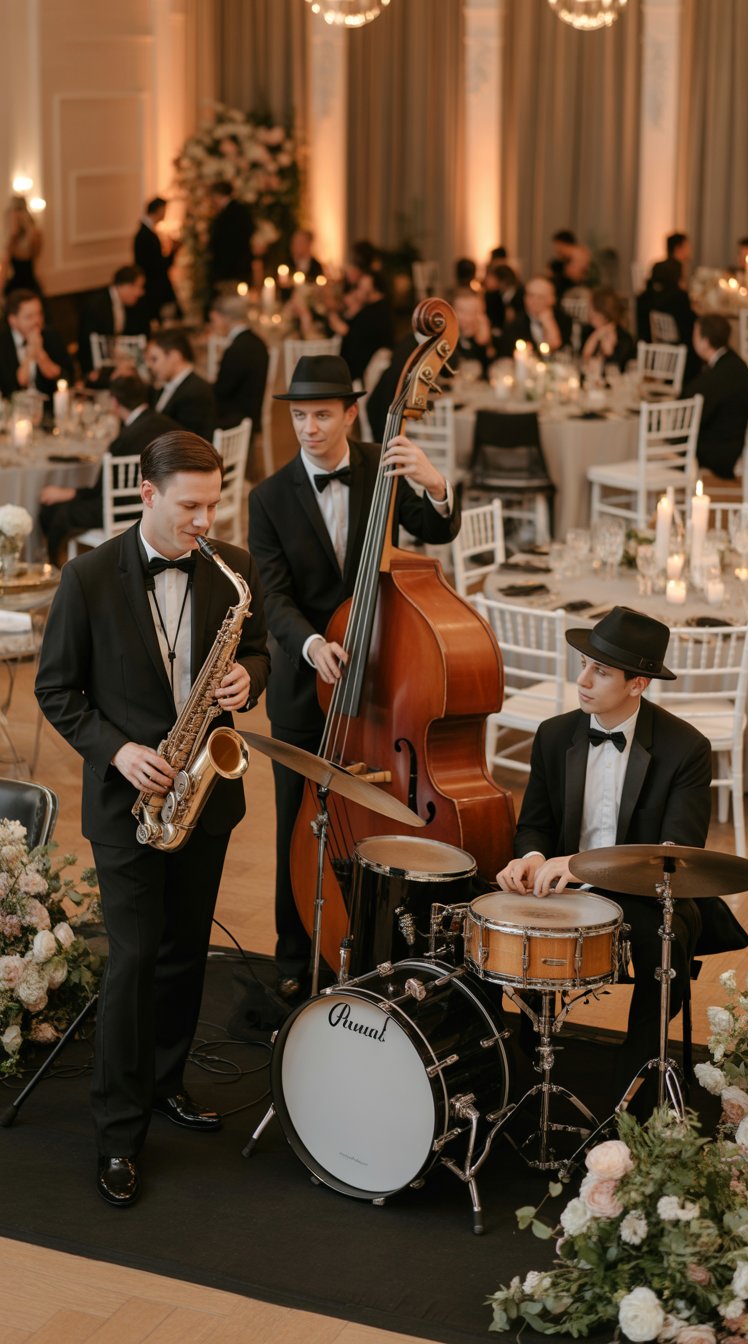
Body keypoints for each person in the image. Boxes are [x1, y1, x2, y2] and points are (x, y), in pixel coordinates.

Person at [35, 431, 270, 1207]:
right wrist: (121, 753)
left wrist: (249, 676)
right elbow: (58, 691)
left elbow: (260, 648)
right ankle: (117, 1134)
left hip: (204, 797)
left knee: (183, 954)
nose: (205, 520)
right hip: (128, 800)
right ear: (148, 494)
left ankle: (167, 1079)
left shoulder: (227, 567)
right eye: (189, 506)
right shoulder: (88, 576)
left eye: (214, 504)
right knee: (133, 963)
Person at [247, 354, 461, 997]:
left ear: (349, 413)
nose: (308, 428)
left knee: (376, 820)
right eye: (299, 416)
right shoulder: (267, 497)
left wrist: (435, 482)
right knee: (299, 824)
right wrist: (312, 644)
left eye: (320, 415)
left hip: (384, 680)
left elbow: (435, 528)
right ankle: (293, 959)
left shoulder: (382, 466)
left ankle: (375, 948)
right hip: (306, 687)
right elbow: (273, 595)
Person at [496, 606, 747, 1101]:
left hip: (644, 892)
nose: (582, 679)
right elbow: (535, 826)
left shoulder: (687, 749)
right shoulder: (553, 734)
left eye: (601, 671)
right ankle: (512, 1064)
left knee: (665, 937)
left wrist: (580, 866)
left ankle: (631, 1087)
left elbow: (675, 859)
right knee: (485, 923)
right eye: (584, 664)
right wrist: (528, 856)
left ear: (639, 685)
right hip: (561, 886)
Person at [38, 372, 177, 563]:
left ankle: (54, 566)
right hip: (156, 502)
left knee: (53, 511)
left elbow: (101, 492)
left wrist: (68, 492)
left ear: (114, 402)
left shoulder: (123, 442)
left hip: (122, 509)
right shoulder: (165, 424)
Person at [684, 314, 748, 480]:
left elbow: (696, 407)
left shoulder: (718, 376)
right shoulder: (734, 362)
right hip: (732, 442)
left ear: (705, 341)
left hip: (722, 451)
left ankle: (678, 492)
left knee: (671, 445)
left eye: (695, 334)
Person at [78, 265, 149, 380]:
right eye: (139, 287)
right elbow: (87, 342)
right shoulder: (97, 306)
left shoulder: (133, 306)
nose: (141, 293)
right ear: (127, 286)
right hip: (100, 370)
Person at [0, 288, 73, 400]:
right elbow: (13, 388)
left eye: (39, 314)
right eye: (29, 317)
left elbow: (66, 378)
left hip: (48, 409)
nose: (37, 321)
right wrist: (30, 355)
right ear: (12, 320)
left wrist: (40, 354)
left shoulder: (50, 336)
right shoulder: (3, 342)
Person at [211, 293, 269, 433]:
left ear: (225, 318)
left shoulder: (237, 349)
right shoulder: (257, 342)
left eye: (214, 319)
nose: (213, 324)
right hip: (251, 413)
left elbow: (221, 391)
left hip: (236, 419)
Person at [146, 329, 217, 441]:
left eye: (154, 359)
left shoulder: (195, 391)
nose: (150, 366)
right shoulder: (169, 385)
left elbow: (187, 440)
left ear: (175, 356)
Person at [328, 267, 394, 382]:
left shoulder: (376, 312)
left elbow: (356, 338)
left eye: (362, 287)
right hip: (358, 367)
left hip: (360, 370)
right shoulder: (373, 308)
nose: (359, 291)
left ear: (373, 289)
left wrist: (342, 327)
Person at [636, 259, 699, 379]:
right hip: (679, 351)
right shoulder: (678, 297)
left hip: (651, 351)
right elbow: (689, 323)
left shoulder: (644, 298)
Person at [498, 275, 572, 356]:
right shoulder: (514, 325)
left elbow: (562, 349)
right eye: (531, 295)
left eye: (540, 297)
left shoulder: (565, 320)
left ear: (553, 299)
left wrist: (549, 323)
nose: (534, 301)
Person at [133, 196, 180, 322]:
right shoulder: (146, 235)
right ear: (159, 210)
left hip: (153, 284)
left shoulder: (146, 233)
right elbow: (157, 265)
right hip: (154, 287)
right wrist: (173, 251)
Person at [207, 181, 253, 301]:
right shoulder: (234, 211)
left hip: (231, 269)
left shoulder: (233, 213)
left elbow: (230, 244)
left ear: (217, 195)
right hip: (232, 267)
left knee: (230, 303)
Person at [579, 287, 636, 374]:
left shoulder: (623, 338)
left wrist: (609, 353)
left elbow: (616, 370)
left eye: (590, 306)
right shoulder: (587, 331)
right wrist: (595, 336)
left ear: (600, 312)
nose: (587, 310)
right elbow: (581, 363)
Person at [2, 195, 43, 296]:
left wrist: (29, 230)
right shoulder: (11, 240)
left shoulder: (34, 235)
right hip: (15, 287)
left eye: (17, 211)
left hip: (29, 286)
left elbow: (34, 255)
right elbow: (4, 268)